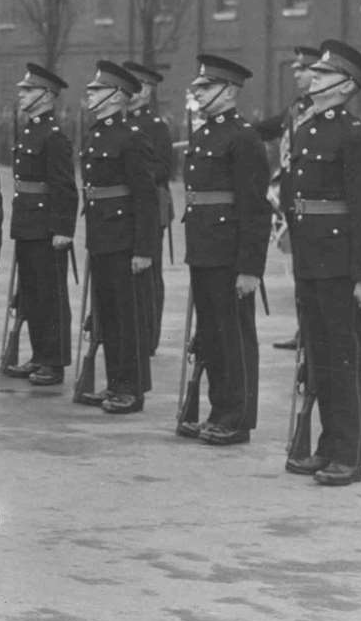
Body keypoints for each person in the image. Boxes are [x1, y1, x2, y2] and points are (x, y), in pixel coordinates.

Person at [279, 40, 361, 486]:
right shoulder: (306, 129)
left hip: (341, 263)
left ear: (345, 85)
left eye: (321, 75)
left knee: (344, 359)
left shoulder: (355, 135)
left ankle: (350, 454)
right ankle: (327, 445)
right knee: (320, 358)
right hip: (311, 258)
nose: (312, 79)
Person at [178, 55, 270, 445]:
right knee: (212, 335)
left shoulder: (243, 137)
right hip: (204, 246)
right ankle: (218, 408)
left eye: (205, 87)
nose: (197, 93)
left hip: (230, 252)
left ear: (229, 91)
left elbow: (254, 207)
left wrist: (250, 267)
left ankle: (236, 416)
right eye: (197, 87)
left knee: (233, 336)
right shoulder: (203, 134)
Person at [78, 61, 159, 414]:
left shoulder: (132, 138)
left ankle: (132, 388)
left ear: (116, 95)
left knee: (128, 317)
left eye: (96, 90)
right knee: (108, 315)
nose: (90, 94)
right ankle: (114, 382)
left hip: (125, 239)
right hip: (102, 235)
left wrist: (144, 249)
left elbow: (146, 197)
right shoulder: (95, 133)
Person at [3, 64, 78, 387]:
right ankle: (38, 354)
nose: (21, 94)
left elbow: (64, 186)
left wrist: (64, 228)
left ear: (46, 96)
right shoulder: (30, 130)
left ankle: (54, 360)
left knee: (50, 296)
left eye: (28, 90)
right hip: (27, 223)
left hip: (47, 227)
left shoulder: (54, 137)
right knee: (31, 294)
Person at [258, 45, 320, 352]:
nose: (296, 74)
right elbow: (271, 127)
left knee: (311, 272)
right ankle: (304, 330)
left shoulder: (317, 109)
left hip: (310, 202)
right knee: (300, 272)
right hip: (292, 201)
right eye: (296, 69)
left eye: (303, 69)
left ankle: (312, 332)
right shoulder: (297, 107)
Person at [123, 62, 174, 354]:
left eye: (140, 88)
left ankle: (148, 334)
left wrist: (132, 176)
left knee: (148, 273)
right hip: (123, 206)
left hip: (152, 206)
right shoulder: (121, 121)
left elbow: (164, 168)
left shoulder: (155, 126)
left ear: (149, 92)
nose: (134, 93)